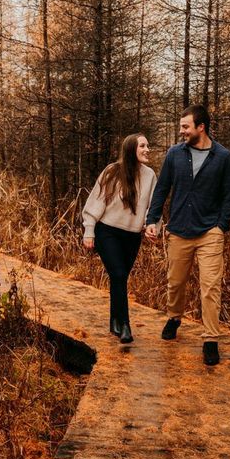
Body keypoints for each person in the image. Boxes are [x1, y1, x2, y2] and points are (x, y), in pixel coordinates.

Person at [145, 105, 230, 366]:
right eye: (181, 126)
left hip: (210, 232)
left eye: (185, 126)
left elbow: (229, 196)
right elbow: (162, 189)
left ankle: (210, 339)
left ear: (201, 127)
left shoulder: (223, 157)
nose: (181, 130)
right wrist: (153, 220)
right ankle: (174, 317)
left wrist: (221, 226)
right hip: (179, 230)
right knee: (175, 282)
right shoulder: (175, 154)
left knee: (210, 286)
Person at [82, 133, 156, 344]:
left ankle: (114, 319)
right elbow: (96, 202)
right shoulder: (112, 171)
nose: (147, 149)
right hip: (107, 232)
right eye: (143, 145)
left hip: (132, 237)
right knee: (119, 273)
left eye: (148, 145)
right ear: (131, 148)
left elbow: (153, 206)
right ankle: (125, 325)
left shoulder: (150, 175)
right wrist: (89, 230)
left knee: (119, 278)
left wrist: (152, 225)